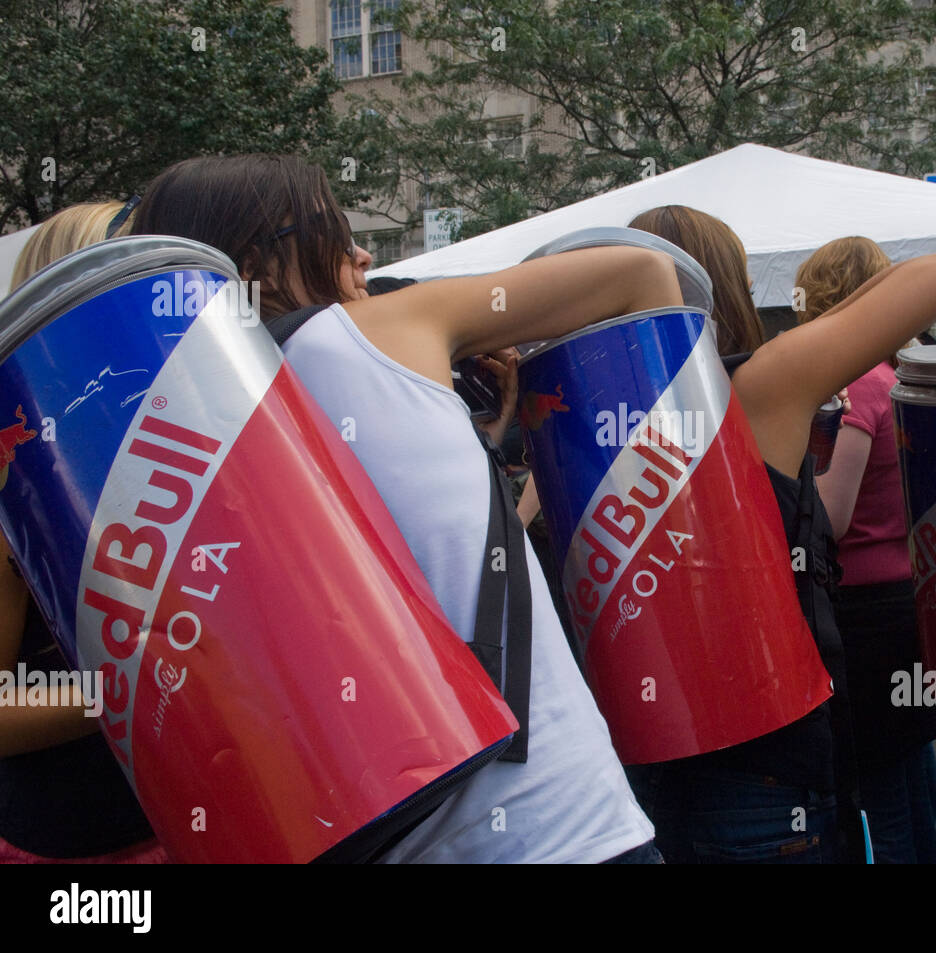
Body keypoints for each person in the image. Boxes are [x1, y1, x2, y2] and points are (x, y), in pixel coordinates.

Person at [133, 154, 686, 863]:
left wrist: (468, 439)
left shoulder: (172, 455)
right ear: (259, 266)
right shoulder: (384, 326)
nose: (361, 252)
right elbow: (641, 275)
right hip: (563, 824)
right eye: (334, 227)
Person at [626, 205, 936, 863]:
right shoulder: (754, 387)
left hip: (641, 750)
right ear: (726, 291)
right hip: (763, 748)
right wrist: (838, 312)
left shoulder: (582, 422)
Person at [1, 202, 166, 864]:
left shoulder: (160, 443)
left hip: (186, 824)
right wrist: (128, 689)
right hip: (67, 855)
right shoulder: (14, 471)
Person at [796, 236, 936, 864]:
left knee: (878, 799)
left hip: (862, 609)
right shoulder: (895, 376)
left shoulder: (853, 384)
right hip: (902, 596)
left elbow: (833, 510)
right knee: (911, 781)